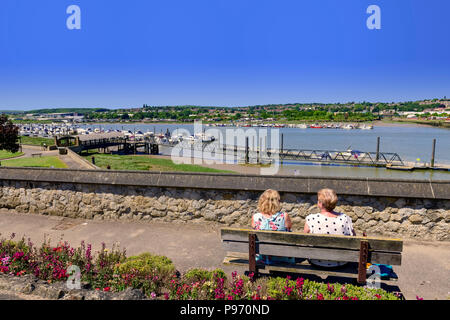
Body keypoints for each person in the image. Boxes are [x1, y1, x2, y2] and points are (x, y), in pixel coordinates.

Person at [304, 188, 356, 268]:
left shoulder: (311, 219)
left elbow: (304, 239)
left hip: (317, 261)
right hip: (341, 261)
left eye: (318, 200)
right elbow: (354, 239)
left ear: (320, 204)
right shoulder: (345, 218)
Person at [251, 189, 294, 264]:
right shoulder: (284, 216)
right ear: (277, 202)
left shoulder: (255, 217)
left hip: (262, 257)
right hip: (282, 257)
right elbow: (289, 230)